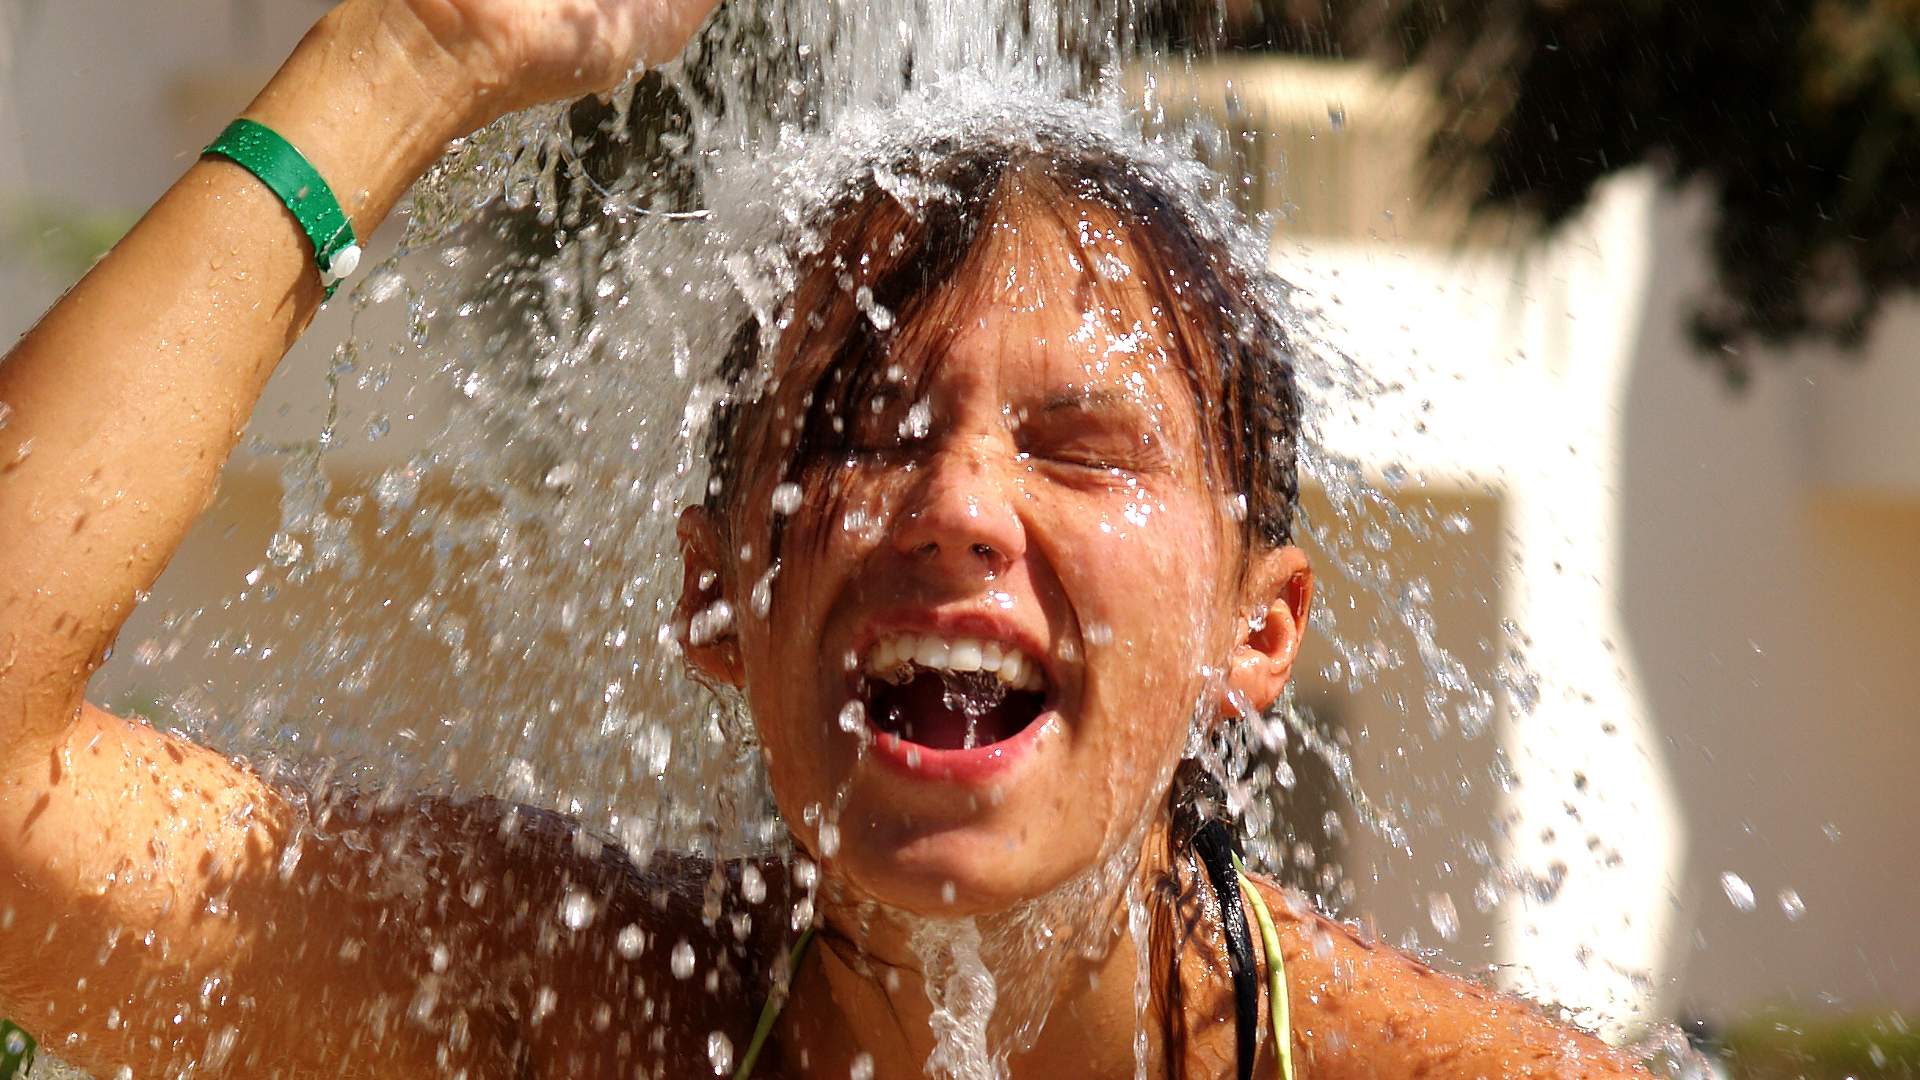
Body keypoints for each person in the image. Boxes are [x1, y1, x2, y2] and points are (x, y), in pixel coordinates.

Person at [0, 0, 1651, 1076]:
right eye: (862, 435)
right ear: (717, 590)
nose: (955, 510)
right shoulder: (559, 1017)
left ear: (1260, 628)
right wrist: (411, 55)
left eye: (1079, 449)